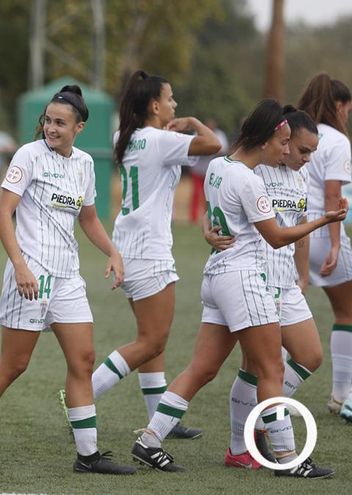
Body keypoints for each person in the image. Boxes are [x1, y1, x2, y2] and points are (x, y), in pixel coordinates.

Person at [130, 99, 347, 475]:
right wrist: (324, 221)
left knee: (206, 368)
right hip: (247, 278)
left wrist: (298, 270)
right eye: (288, 145)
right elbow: (276, 235)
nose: (288, 152)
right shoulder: (250, 175)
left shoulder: (220, 165)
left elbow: (225, 212)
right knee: (270, 369)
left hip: (223, 276)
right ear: (267, 140)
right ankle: (285, 457)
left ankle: (149, 439)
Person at [0, 85, 135, 476]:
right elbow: (1, 214)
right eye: (48, 120)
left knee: (83, 360)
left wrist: (112, 252)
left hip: (67, 278)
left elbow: (89, 218)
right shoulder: (29, 156)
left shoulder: (82, 164)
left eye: (60, 123)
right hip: (30, 275)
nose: (51, 128)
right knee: (14, 364)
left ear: (79, 127)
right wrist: (21, 266)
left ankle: (88, 455)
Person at [90, 71, 221, 438]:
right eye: (171, 98)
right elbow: (213, 145)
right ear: (154, 105)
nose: (175, 104)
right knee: (152, 341)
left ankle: (160, 416)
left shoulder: (123, 137)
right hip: (150, 251)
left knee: (151, 341)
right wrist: (194, 123)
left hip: (128, 248)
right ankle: (81, 397)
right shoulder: (161, 140)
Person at [207, 107, 332, 476]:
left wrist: (302, 276)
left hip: (287, 281)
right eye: (303, 150)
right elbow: (221, 202)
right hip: (254, 279)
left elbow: (300, 224)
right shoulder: (256, 167)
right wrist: (206, 229)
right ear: (282, 142)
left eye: (312, 152)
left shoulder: (300, 175)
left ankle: (264, 420)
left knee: (309, 355)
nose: (307, 158)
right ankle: (256, 447)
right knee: (260, 367)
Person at [296, 73, 352, 418]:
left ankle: (269, 389)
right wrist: (335, 244)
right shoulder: (337, 140)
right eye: (347, 108)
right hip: (322, 231)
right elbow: (333, 194)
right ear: (338, 105)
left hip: (292, 234)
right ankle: (341, 395)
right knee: (347, 312)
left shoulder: (295, 132)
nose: (347, 114)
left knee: (284, 317)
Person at [189, 118, 229, 223]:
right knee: (196, 194)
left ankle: (209, 218)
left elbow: (223, 150)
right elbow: (192, 149)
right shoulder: (197, 134)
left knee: (210, 195)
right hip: (198, 170)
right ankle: (193, 218)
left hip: (211, 172)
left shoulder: (220, 134)